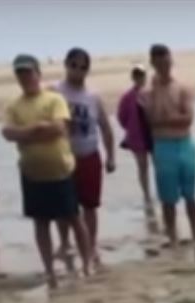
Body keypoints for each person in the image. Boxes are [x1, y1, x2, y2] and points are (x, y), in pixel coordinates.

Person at [2, 54, 91, 287]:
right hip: (32, 174)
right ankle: (50, 270)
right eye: (20, 73)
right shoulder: (14, 105)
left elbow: (59, 128)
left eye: (28, 72)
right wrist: (38, 127)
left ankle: (87, 264)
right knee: (41, 223)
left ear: (38, 73)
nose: (25, 77)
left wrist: (27, 133)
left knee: (74, 218)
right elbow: (8, 134)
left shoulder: (54, 99)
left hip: (61, 170)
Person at [52, 47, 116, 266]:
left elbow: (106, 128)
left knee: (89, 206)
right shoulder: (54, 91)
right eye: (74, 65)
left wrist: (111, 156)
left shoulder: (93, 96)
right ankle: (64, 243)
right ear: (66, 64)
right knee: (63, 207)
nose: (78, 71)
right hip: (62, 157)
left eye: (83, 67)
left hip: (89, 155)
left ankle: (91, 244)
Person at [140, 43, 195, 247]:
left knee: (190, 194)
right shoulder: (149, 92)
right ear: (153, 63)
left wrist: (167, 119)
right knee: (168, 198)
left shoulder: (181, 87)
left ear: (171, 60)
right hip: (163, 146)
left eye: (165, 60)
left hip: (184, 143)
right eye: (158, 62)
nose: (163, 65)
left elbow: (188, 118)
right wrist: (171, 118)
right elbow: (151, 121)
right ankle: (173, 237)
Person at [117, 64, 154, 206]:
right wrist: (131, 128)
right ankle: (146, 195)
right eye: (137, 75)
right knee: (142, 167)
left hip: (153, 135)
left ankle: (161, 193)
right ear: (133, 77)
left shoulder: (151, 93)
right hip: (137, 137)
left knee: (159, 165)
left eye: (142, 75)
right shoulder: (127, 97)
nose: (139, 78)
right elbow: (122, 116)